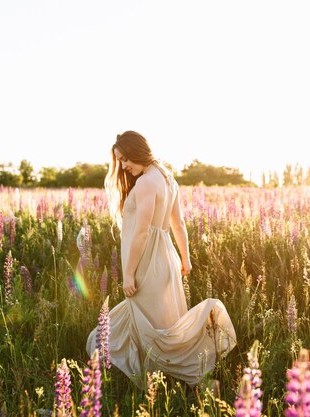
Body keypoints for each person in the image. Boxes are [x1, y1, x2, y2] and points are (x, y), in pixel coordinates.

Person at [86, 131, 237, 387]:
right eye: (120, 161)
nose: (123, 166)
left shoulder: (146, 183)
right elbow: (178, 225)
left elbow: (142, 232)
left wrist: (129, 273)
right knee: (159, 326)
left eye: (125, 159)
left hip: (148, 264)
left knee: (150, 332)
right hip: (165, 258)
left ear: (137, 151)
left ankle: (198, 382)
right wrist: (185, 258)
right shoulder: (167, 178)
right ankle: (168, 381)